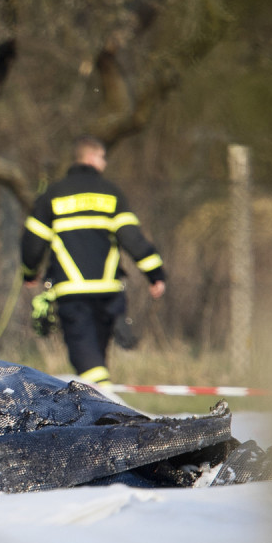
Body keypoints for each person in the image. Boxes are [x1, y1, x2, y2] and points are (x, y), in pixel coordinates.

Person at [21, 135, 166, 388]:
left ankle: (105, 397)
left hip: (72, 292)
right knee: (97, 356)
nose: (105, 163)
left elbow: (33, 242)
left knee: (86, 358)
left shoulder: (54, 194)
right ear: (90, 158)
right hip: (108, 294)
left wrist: (30, 272)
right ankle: (104, 394)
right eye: (102, 157)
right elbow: (132, 238)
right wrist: (155, 274)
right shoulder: (110, 194)